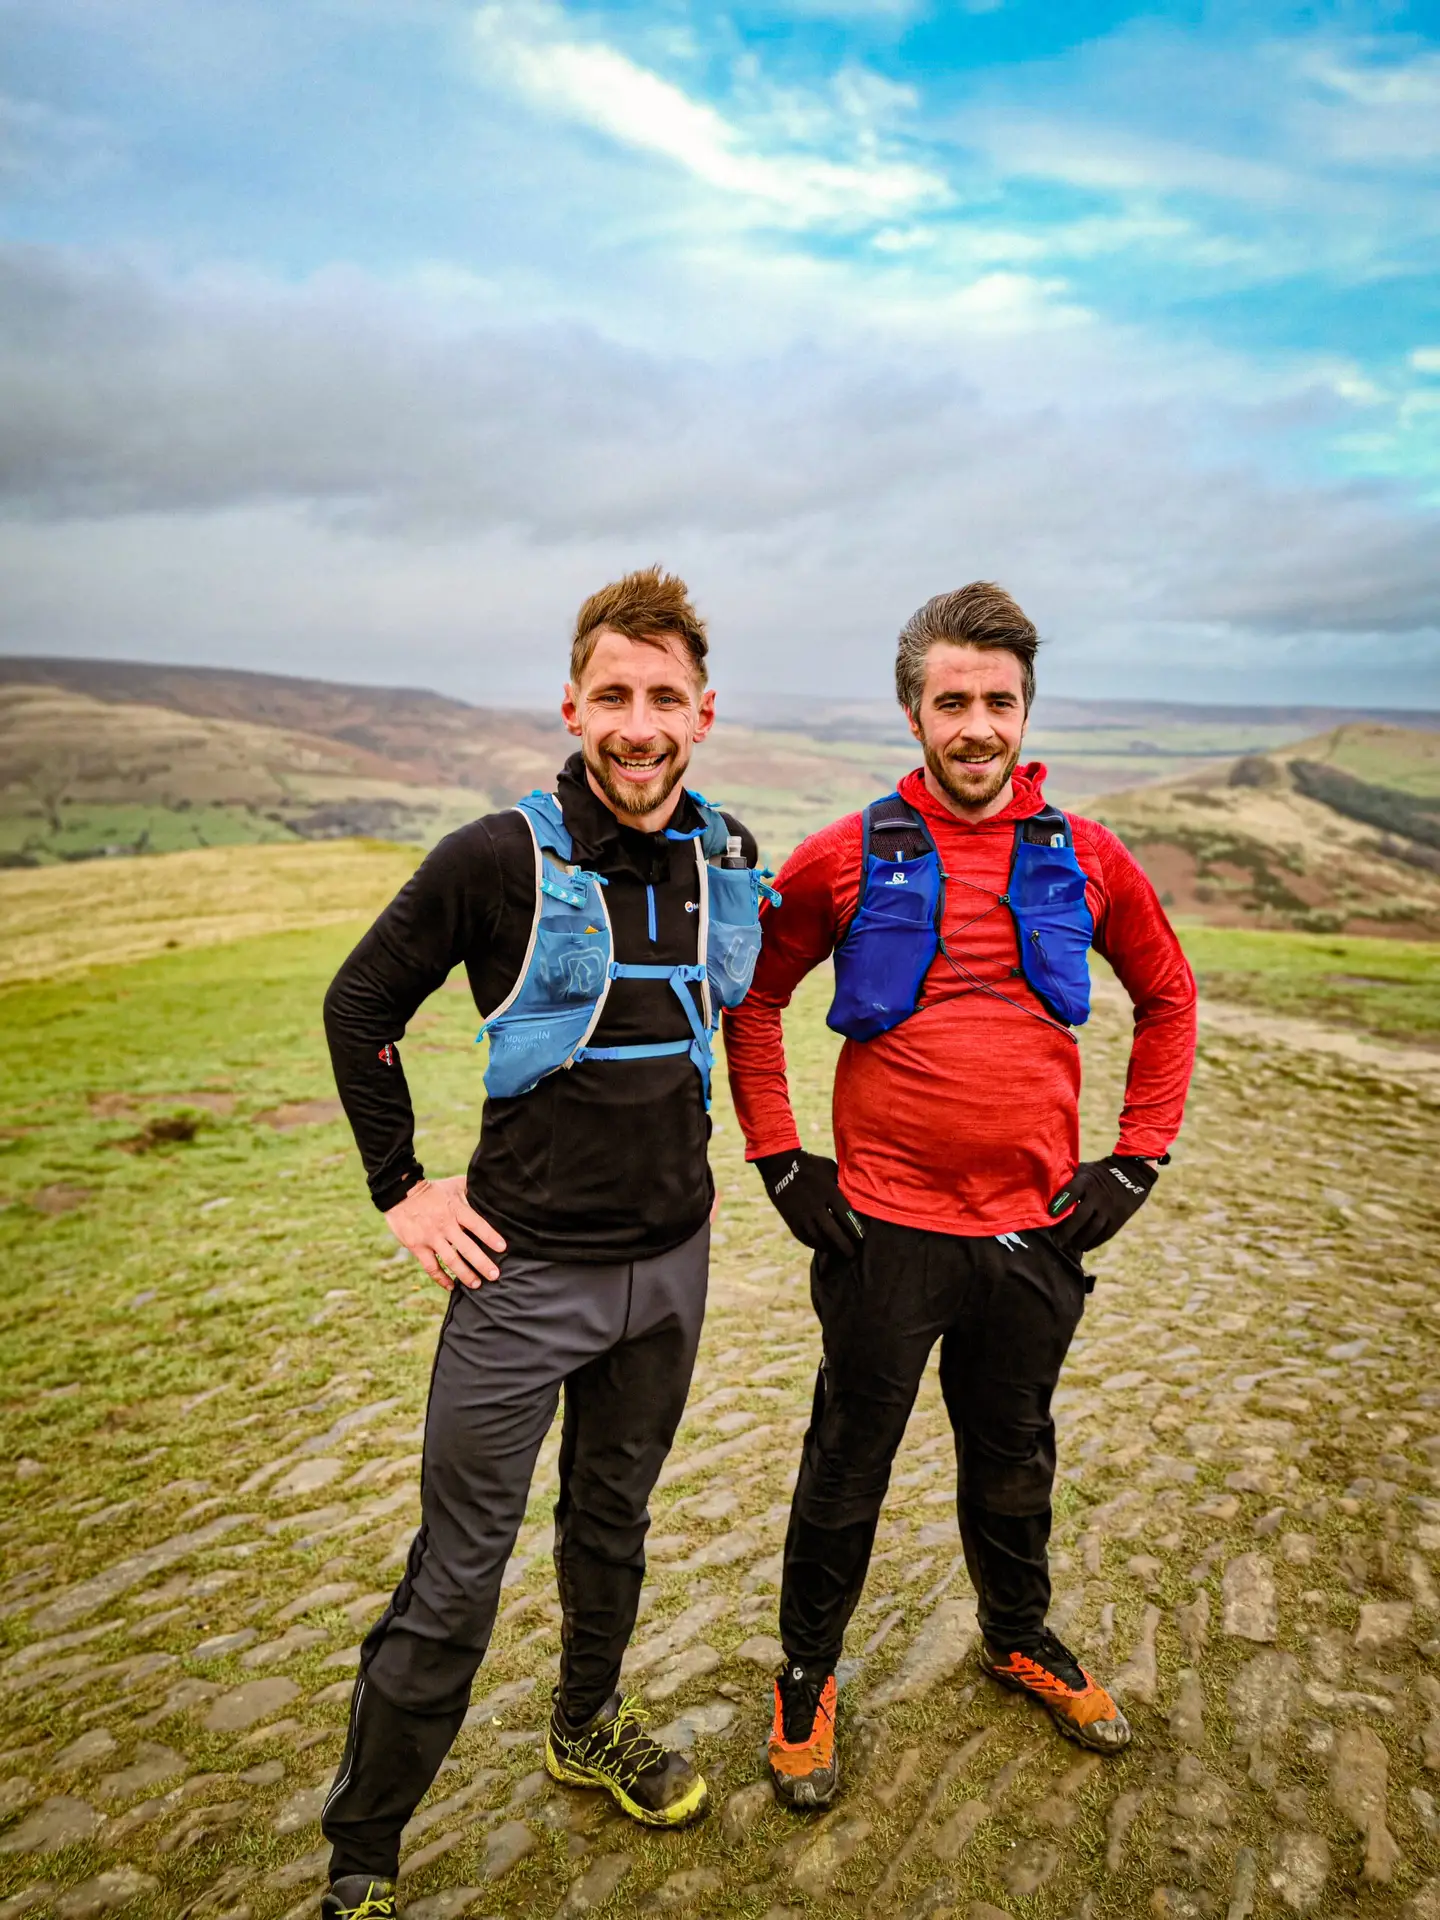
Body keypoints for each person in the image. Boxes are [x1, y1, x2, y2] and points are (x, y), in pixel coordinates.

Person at [317, 568, 767, 1919]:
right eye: (615, 696)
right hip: (520, 1284)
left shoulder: (724, 854)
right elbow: (361, 1006)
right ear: (573, 706)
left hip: (671, 1272)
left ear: (704, 714)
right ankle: (364, 1858)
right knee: (454, 1583)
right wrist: (404, 1187)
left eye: (665, 698)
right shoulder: (493, 857)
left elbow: (747, 1013)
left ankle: (584, 1729)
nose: (639, 724)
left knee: (613, 1528)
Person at [723, 583, 1197, 1809]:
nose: (976, 724)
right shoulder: (842, 854)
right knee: (847, 1463)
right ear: (913, 712)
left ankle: (1018, 1636)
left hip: (1035, 1231)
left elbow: (1169, 997)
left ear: (1026, 709)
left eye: (998, 701)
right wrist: (781, 1158)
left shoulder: (1090, 856)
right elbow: (755, 1000)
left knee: (1015, 1452)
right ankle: (808, 1678)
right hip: (883, 1232)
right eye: (952, 702)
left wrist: (1136, 1157)